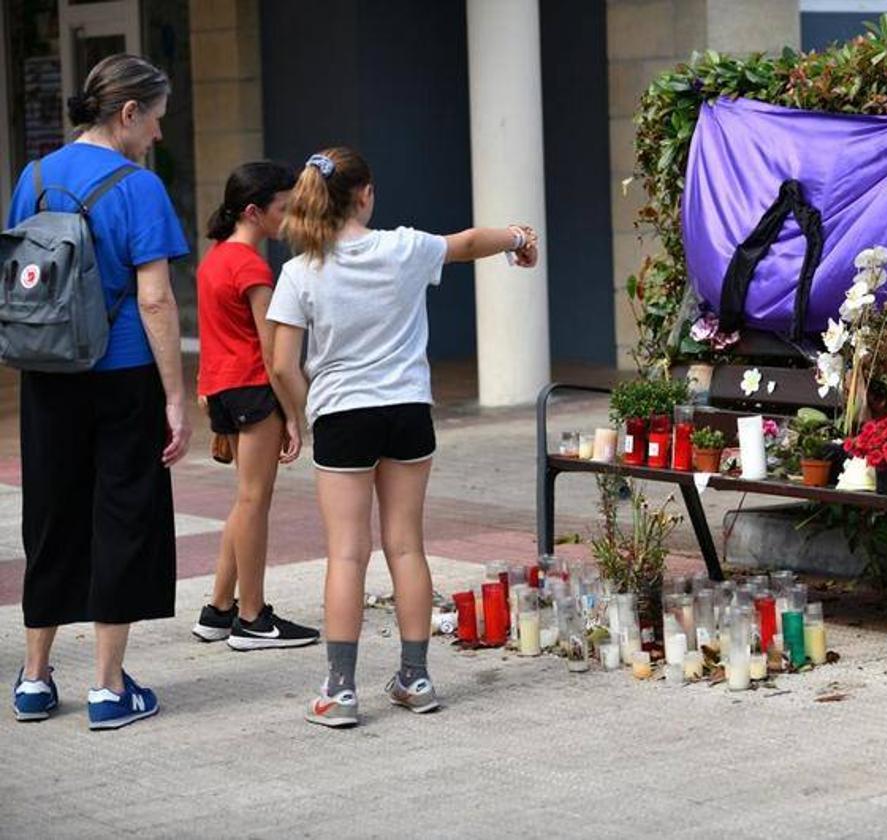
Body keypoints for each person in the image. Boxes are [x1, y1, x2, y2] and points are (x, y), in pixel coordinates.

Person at [267, 147, 538, 728]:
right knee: (406, 546)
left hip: (342, 414)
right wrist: (517, 237)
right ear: (365, 195)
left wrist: (299, 413)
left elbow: (283, 364)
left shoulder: (299, 272)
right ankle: (415, 679)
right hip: (408, 409)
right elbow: (466, 243)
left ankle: (340, 693)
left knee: (346, 552)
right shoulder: (404, 248)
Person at [7, 54, 189, 729]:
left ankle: (32, 679)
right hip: (122, 377)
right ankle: (109, 690)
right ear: (129, 113)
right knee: (123, 514)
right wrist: (176, 396)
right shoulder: (139, 188)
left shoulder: (33, 177)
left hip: (48, 373)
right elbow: (156, 301)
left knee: (52, 516)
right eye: (158, 121)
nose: (159, 138)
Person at [191, 162, 319, 650]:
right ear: (253, 211)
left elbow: (210, 334)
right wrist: (292, 413)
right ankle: (253, 617)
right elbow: (272, 350)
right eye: (283, 209)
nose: (288, 219)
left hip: (223, 388)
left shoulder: (215, 259)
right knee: (254, 502)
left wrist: (207, 388)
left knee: (244, 501)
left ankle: (219, 610)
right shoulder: (252, 265)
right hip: (253, 388)